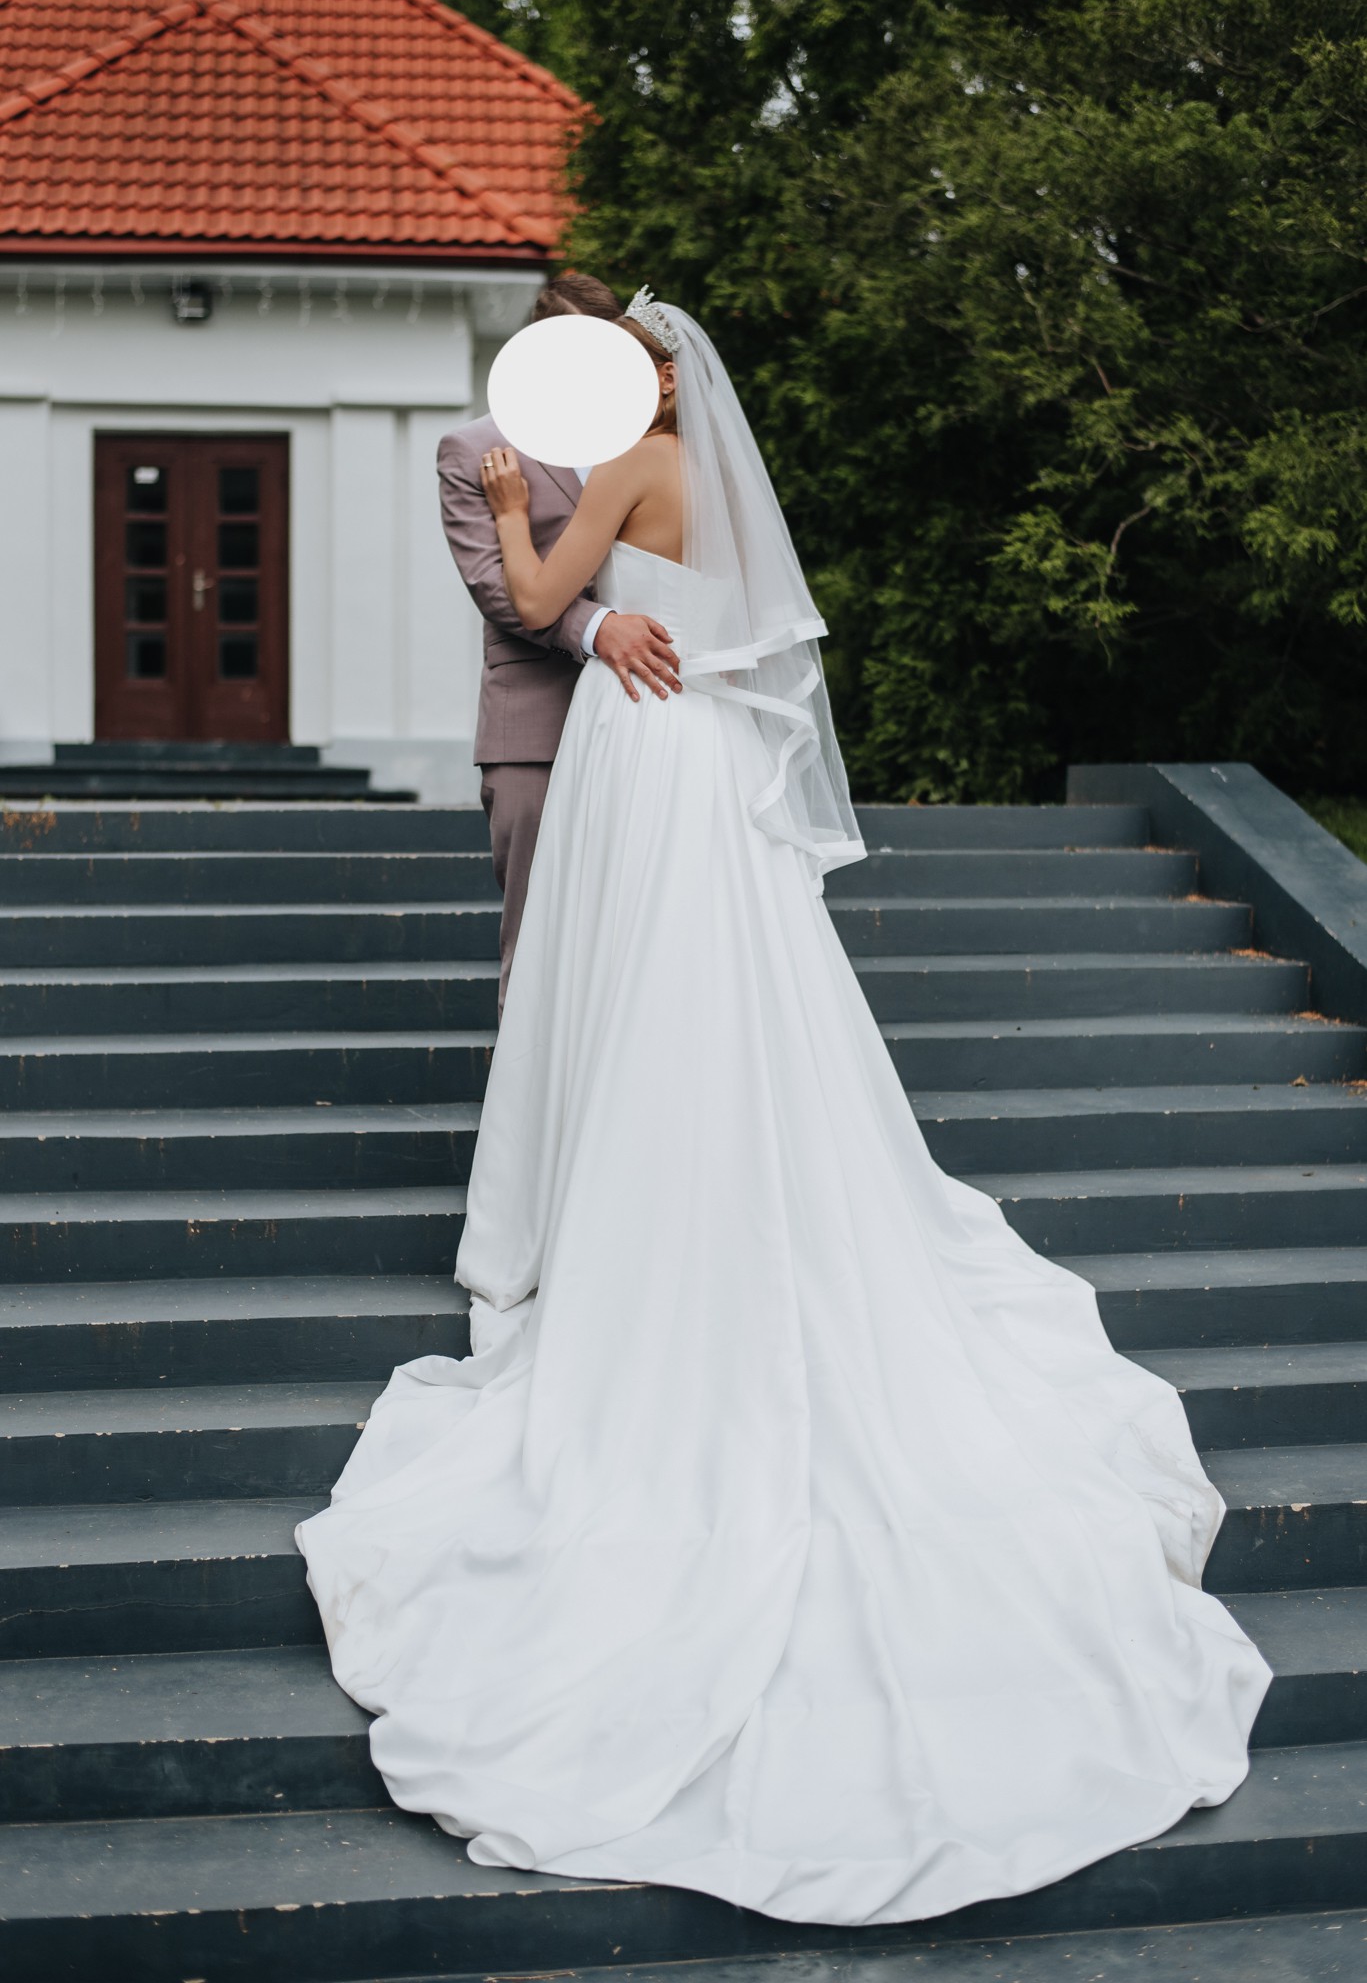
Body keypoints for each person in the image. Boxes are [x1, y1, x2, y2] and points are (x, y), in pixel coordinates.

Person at [297, 292, 1271, 1928]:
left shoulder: (621, 469)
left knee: (625, 996)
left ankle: (626, 1226)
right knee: (720, 994)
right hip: (696, 761)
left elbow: (532, 597)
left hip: (634, 751)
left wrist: (546, 537)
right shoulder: (715, 485)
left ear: (643, 380)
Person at [437, 269, 683, 1016]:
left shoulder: (653, 442)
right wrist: (599, 628)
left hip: (650, 714)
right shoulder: (474, 447)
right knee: (538, 930)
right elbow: (493, 585)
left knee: (637, 927)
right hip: (535, 721)